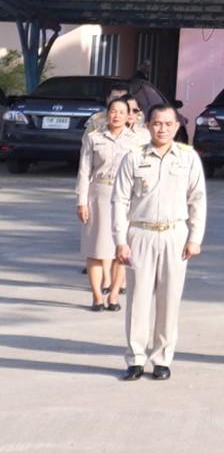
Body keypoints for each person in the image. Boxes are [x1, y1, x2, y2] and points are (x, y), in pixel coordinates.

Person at [111, 104, 208, 381]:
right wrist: (120, 240)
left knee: (169, 300)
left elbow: (197, 200)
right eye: (156, 123)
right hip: (140, 233)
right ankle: (136, 358)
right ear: (148, 126)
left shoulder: (188, 158)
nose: (162, 129)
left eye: (168, 124)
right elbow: (119, 200)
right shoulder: (133, 157)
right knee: (138, 299)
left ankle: (162, 358)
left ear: (176, 127)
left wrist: (194, 237)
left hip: (174, 235)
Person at [76, 96, 144, 311]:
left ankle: (114, 295)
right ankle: (97, 296)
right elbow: (84, 170)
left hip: (125, 198)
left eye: (121, 112)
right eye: (113, 111)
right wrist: (81, 201)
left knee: (120, 249)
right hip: (98, 195)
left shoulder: (137, 141)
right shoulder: (94, 138)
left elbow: (142, 173)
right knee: (95, 249)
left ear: (129, 117)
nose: (116, 116)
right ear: (107, 113)